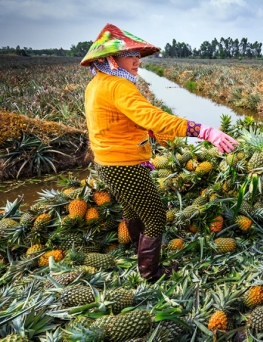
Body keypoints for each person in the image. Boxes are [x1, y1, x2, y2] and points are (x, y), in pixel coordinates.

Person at [80, 24, 238, 281]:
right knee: (155, 218)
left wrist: (148, 135)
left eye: (138, 55)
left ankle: (136, 251)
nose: (136, 60)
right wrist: (204, 131)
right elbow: (153, 117)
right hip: (124, 165)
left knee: (133, 211)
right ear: (111, 58)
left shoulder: (97, 84)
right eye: (130, 55)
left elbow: (114, 120)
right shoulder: (120, 87)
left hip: (106, 163)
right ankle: (150, 273)